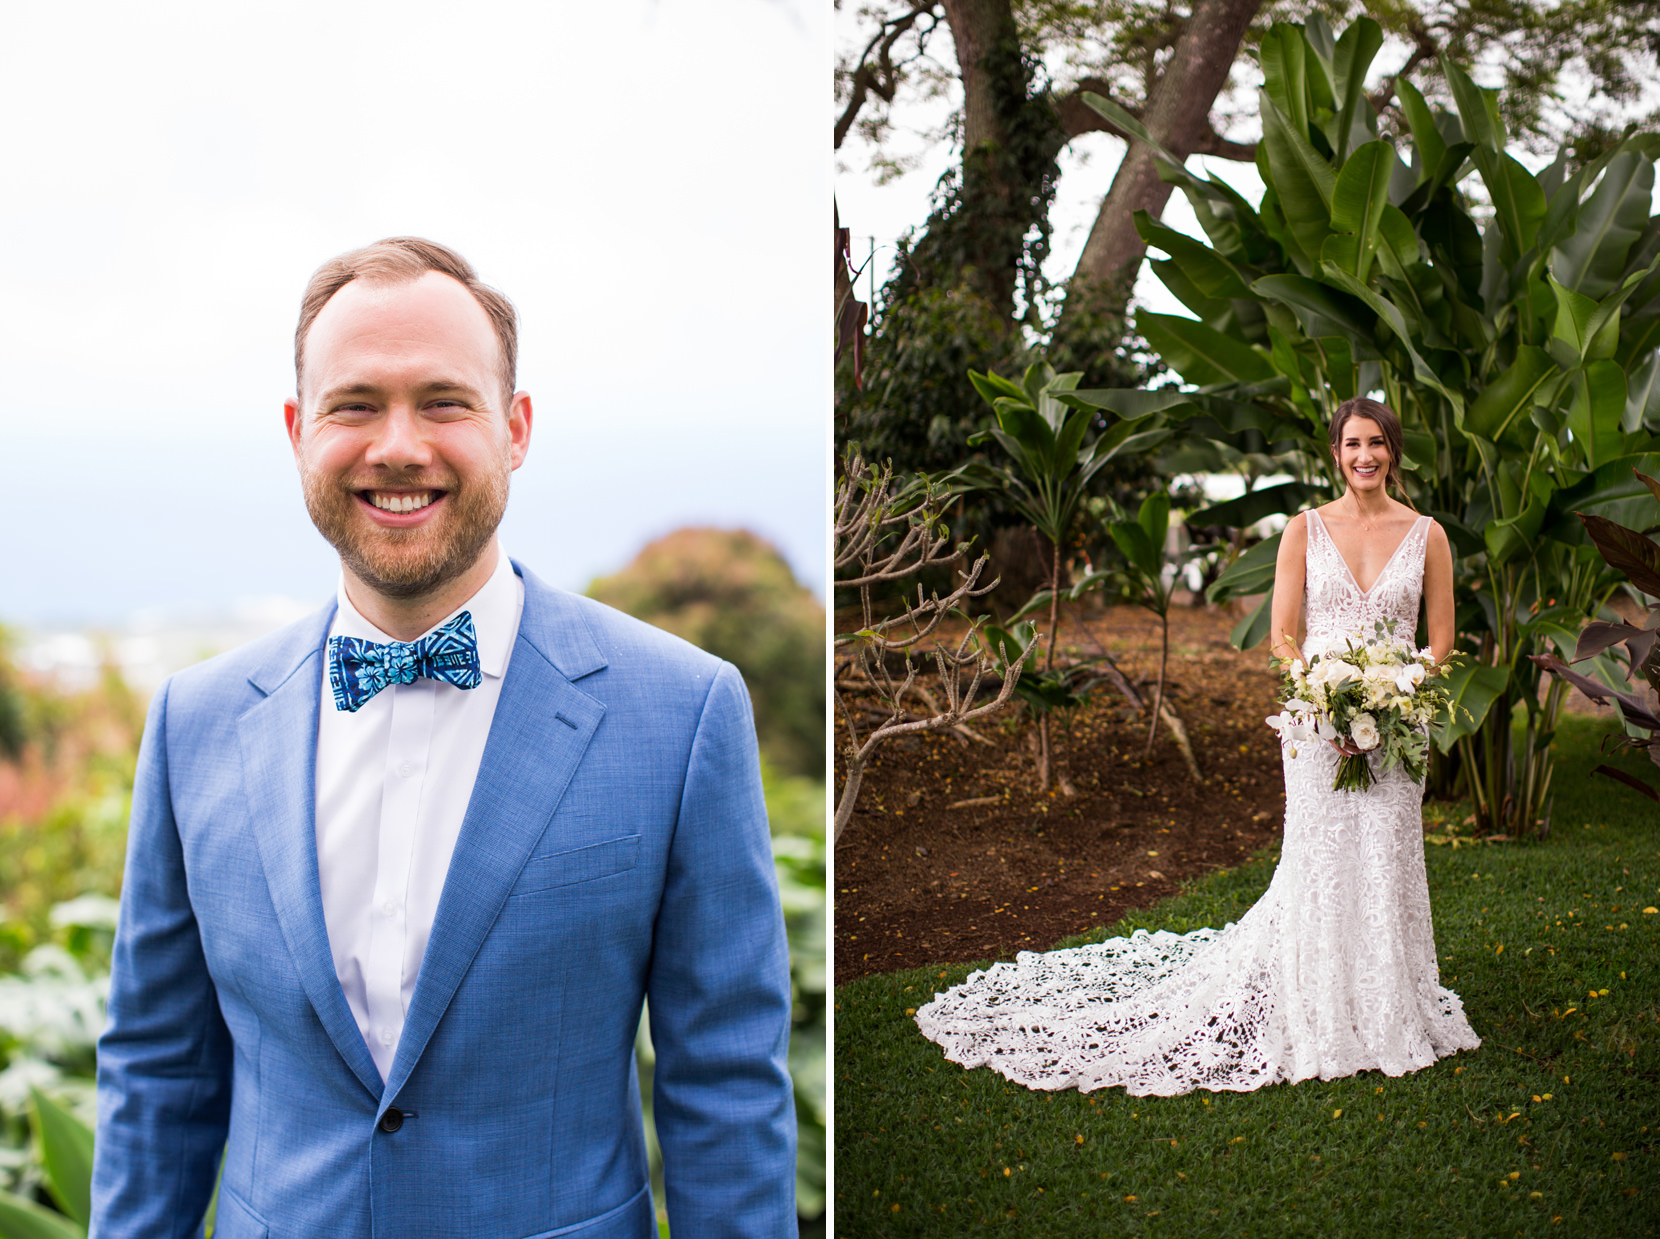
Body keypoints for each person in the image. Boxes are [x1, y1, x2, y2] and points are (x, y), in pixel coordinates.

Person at [90, 238, 797, 1237]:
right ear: (298, 430)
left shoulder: (682, 714)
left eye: (443, 402)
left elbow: (726, 1085)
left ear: (516, 428)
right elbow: (158, 1074)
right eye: (354, 404)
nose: (398, 445)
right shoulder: (191, 724)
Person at [914, 396, 1479, 1095]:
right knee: (1325, 861)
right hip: (1317, 724)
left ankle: (1388, 1002)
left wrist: (1394, 690)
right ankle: (1320, 1000)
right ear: (1335, 454)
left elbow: (1441, 641)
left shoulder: (1427, 535)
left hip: (1396, 728)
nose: (1365, 456)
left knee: (1386, 857)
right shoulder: (1304, 529)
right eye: (1352, 444)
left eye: (1377, 443)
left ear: (1394, 451)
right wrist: (1325, 699)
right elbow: (1282, 638)